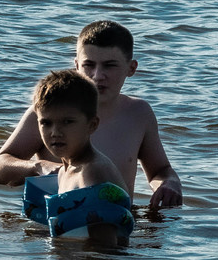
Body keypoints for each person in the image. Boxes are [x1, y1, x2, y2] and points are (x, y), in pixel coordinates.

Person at [0, 20, 184, 210]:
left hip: (115, 225)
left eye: (109, 65)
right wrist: (39, 167)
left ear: (131, 68)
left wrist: (169, 183)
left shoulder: (139, 113)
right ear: (76, 66)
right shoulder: (48, 112)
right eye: (89, 65)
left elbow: (160, 170)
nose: (98, 75)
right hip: (56, 227)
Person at [12, 70, 134, 236]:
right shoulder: (65, 170)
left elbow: (104, 250)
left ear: (92, 124)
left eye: (67, 122)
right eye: (46, 123)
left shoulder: (92, 172)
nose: (55, 132)